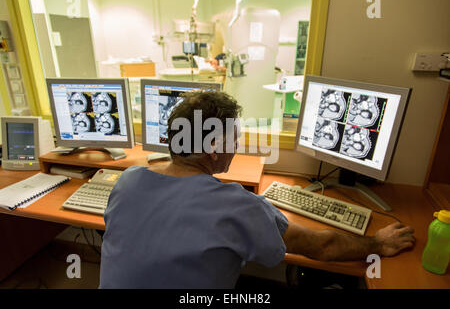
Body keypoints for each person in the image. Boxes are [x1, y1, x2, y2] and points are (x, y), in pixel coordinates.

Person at [99, 91, 415, 289]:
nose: (236, 145)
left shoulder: (129, 180)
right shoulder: (237, 205)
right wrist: (375, 243)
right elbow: (322, 247)